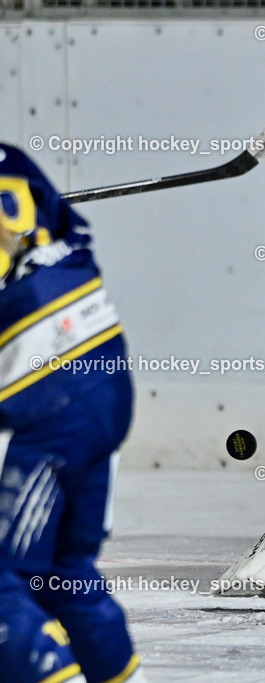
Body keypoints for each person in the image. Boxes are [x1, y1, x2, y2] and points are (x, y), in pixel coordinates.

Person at [0, 144, 144, 682]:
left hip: (50, 398)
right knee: (63, 572)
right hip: (106, 378)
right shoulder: (14, 159)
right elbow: (71, 236)